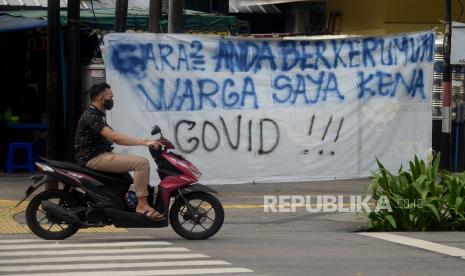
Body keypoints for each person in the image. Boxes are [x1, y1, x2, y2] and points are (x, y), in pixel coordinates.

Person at [74, 83, 164, 220]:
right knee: (142, 163)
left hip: (100, 155)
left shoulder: (98, 114)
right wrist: (145, 143)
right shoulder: (91, 115)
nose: (112, 100)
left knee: (126, 179)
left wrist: (146, 140)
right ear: (100, 98)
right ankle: (142, 205)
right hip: (92, 158)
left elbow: (115, 135)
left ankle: (121, 203)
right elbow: (115, 137)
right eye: (110, 97)